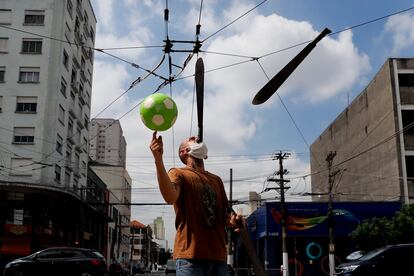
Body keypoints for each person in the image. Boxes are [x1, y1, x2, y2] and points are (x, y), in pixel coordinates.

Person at [150, 132, 243, 276]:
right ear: (184, 152)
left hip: (219, 257)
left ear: (205, 155)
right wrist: (158, 160)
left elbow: (224, 215)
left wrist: (234, 220)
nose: (196, 138)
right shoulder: (178, 173)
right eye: (191, 139)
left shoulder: (216, 180)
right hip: (191, 258)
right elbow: (170, 197)